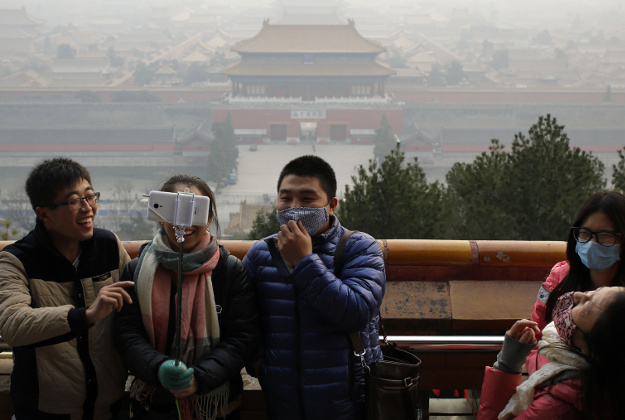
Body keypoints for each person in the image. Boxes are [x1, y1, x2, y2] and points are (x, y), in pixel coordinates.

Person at [242, 155, 386, 420]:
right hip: (282, 401)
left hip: (349, 401)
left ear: (331, 206)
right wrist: (260, 365)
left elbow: (356, 312)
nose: (294, 207)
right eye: (286, 198)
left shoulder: (360, 248)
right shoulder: (261, 253)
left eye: (307, 199)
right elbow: (243, 318)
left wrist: (305, 261)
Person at [113, 174, 260, 420]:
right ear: (160, 214)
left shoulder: (229, 270)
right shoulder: (137, 270)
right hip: (153, 403)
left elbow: (242, 338)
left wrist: (199, 377)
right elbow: (126, 333)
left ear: (210, 217)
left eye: (195, 211)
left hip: (215, 404)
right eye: (175, 210)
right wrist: (159, 368)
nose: (184, 222)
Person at [0, 157, 133, 419]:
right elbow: (12, 324)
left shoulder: (108, 246)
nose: (88, 208)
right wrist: (85, 315)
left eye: (90, 197)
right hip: (44, 411)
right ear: (44, 213)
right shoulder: (18, 260)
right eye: (74, 201)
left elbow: (136, 302)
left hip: (110, 407)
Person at [478, 286, 625, 419]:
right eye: (594, 292)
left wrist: (507, 364)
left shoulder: (553, 409)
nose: (578, 295)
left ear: (593, 350)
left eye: (586, 307)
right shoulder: (608, 377)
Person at [530, 190, 625, 338]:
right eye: (585, 233)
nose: (592, 243)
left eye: (605, 235)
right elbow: (536, 338)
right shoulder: (559, 279)